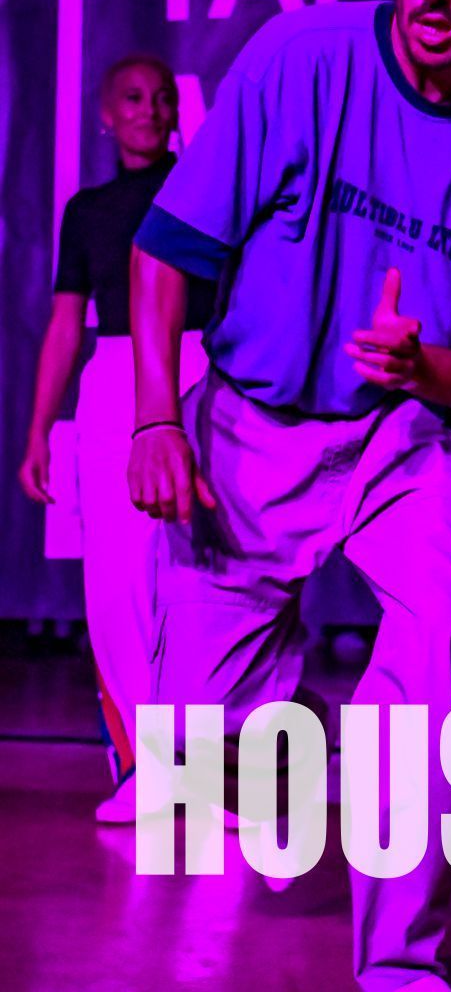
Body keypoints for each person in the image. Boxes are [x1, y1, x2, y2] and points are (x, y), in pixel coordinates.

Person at [127, 0, 451, 990]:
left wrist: (430, 370)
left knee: (434, 672)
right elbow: (166, 251)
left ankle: (399, 960)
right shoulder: (299, 58)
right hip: (248, 429)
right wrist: (156, 415)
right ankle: (312, 737)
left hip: (406, 444)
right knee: (202, 744)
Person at [18, 54, 213, 823]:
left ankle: (204, 775)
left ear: (175, 113)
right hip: (110, 382)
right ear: (106, 115)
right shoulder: (87, 211)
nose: (149, 109)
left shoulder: (201, 190)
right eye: (133, 98)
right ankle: (141, 772)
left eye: (162, 98)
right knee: (116, 579)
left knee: (201, 576)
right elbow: (66, 323)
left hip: (197, 370)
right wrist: (40, 430)